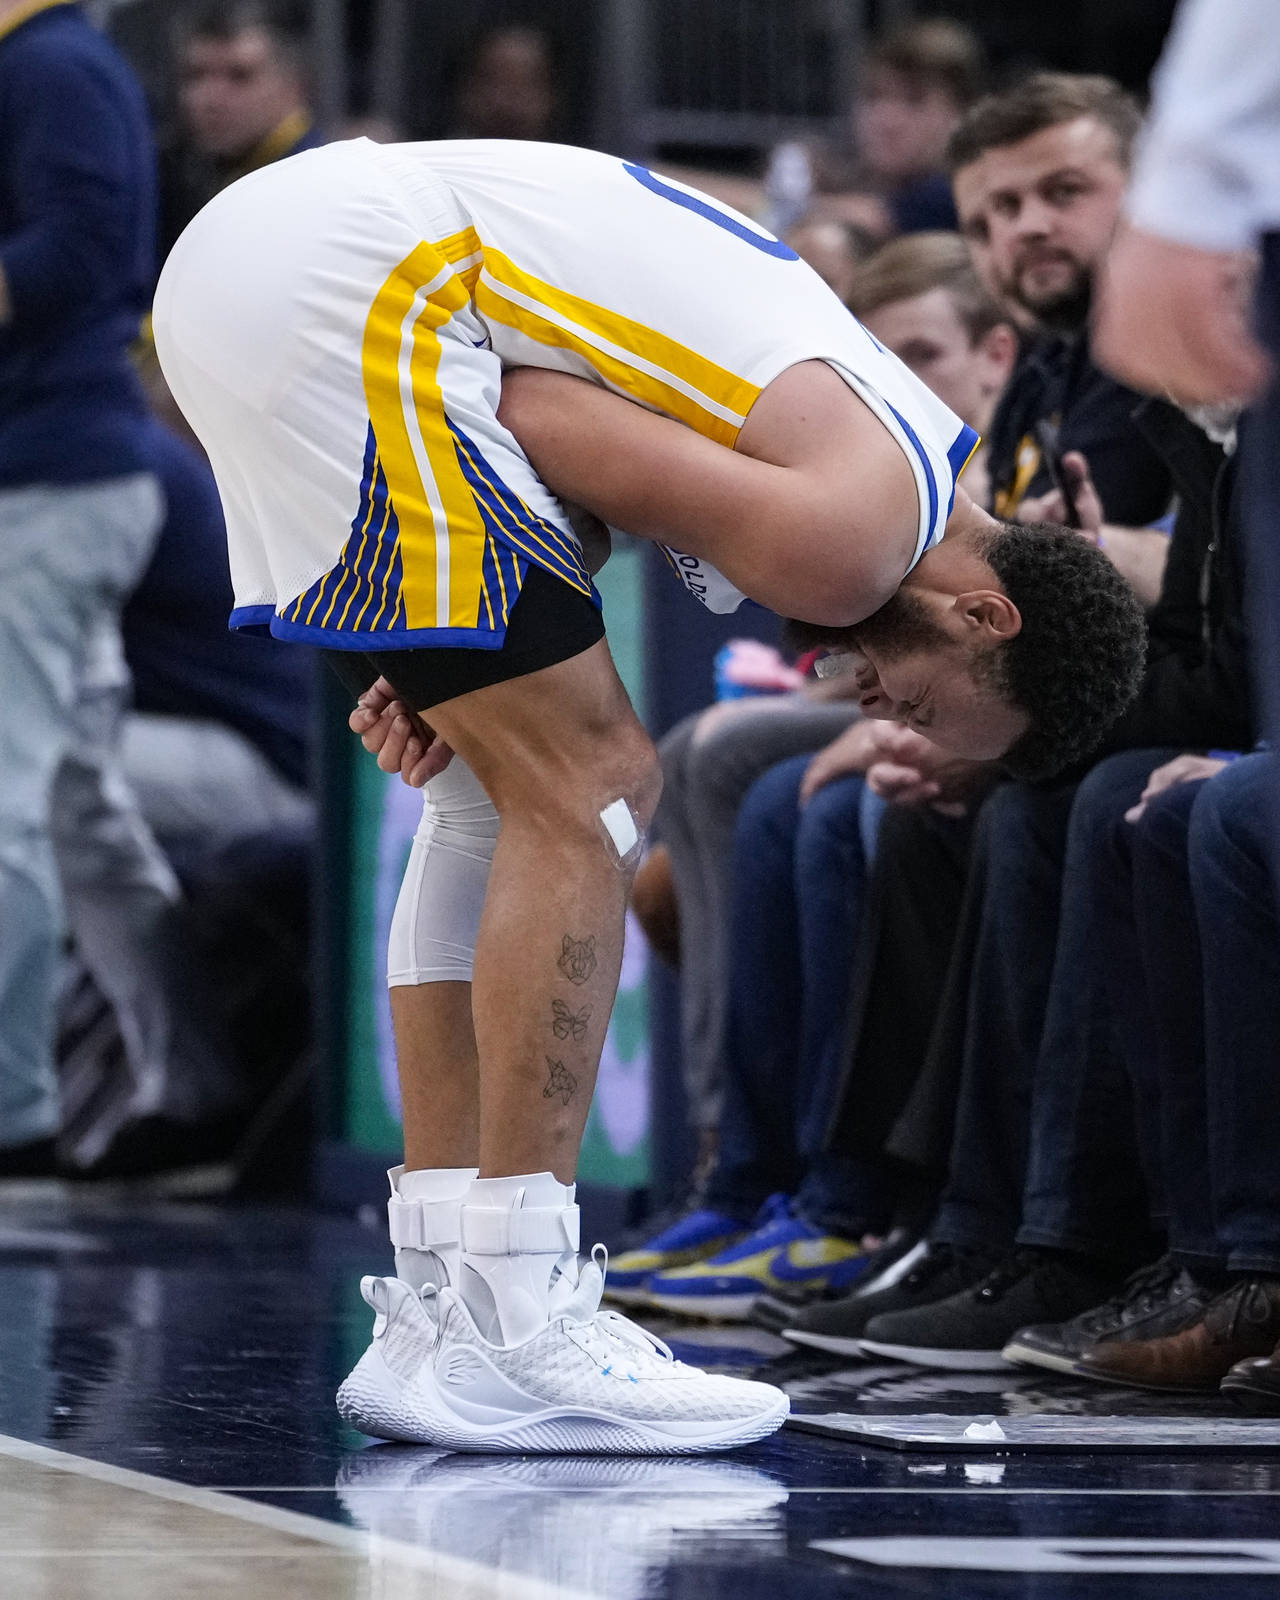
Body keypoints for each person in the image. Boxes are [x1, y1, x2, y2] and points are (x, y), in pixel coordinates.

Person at [154, 135, 1142, 1454]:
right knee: (599, 782)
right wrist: (484, 610)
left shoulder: (902, 446)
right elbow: (537, 417)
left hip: (275, 265)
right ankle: (522, 1316)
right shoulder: (857, 542)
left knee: (491, 792)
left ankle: (437, 1311)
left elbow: (558, 434)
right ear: (984, 614)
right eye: (916, 704)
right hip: (367, 283)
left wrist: (458, 644)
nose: (872, 702)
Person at [612, 234, 1019, 1317]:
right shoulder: (875, 458)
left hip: (995, 712)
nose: (903, 383)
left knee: (833, 804)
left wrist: (884, 721)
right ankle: (736, 1166)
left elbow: (1002, 651)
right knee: (712, 752)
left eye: (923, 355)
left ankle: (846, 1196)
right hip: (898, 691)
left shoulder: (1012, 451)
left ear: (993, 353)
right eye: (881, 363)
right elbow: (844, 650)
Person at [157, 0, 323, 261]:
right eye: (195, 75)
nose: (211, 98)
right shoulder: (187, 173)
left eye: (240, 76)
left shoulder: (318, 192)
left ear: (296, 85)